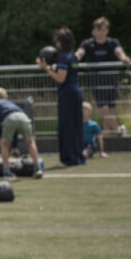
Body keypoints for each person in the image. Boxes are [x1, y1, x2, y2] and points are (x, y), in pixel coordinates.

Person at [38, 27, 85, 167]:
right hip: (76, 92)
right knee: (76, 126)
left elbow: (60, 78)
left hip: (67, 95)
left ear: (61, 42)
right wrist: (51, 67)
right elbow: (64, 72)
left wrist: (46, 69)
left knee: (66, 127)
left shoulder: (64, 57)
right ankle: (78, 157)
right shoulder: (73, 56)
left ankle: (68, 159)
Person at [76, 17, 131, 135]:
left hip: (111, 79)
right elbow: (80, 53)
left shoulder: (113, 42)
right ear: (94, 31)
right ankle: (119, 131)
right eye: (100, 29)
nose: (102, 32)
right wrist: (74, 58)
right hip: (97, 80)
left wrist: (123, 58)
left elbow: (119, 52)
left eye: (105, 29)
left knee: (110, 108)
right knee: (104, 108)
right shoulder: (88, 44)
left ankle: (106, 136)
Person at [0, 88, 44, 179]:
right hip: (23, 117)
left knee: (4, 145)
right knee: (30, 142)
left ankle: (6, 171)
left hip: (9, 119)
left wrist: (2, 137)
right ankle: (37, 168)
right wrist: (14, 147)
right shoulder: (10, 103)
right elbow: (16, 126)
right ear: (6, 97)